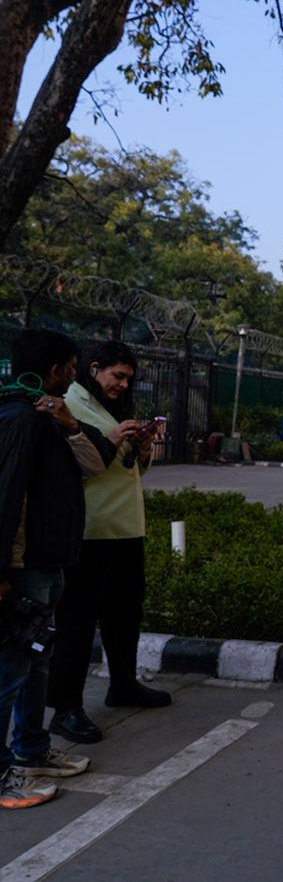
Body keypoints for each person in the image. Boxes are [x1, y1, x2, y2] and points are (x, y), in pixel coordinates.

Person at [1, 331, 112, 808]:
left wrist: (69, 423)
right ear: (55, 370)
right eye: (70, 368)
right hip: (24, 567)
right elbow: (5, 496)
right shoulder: (19, 419)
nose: (74, 375)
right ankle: (5, 773)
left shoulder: (49, 416)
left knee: (37, 662)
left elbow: (95, 466)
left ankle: (32, 751)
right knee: (9, 672)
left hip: (51, 562)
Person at [48, 340, 172, 746]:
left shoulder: (110, 407)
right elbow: (85, 462)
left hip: (126, 527)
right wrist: (116, 436)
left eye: (128, 379)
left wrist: (141, 446)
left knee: (125, 613)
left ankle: (123, 683)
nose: (122, 385)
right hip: (90, 528)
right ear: (94, 368)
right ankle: (65, 708)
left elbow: (128, 467)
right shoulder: (72, 405)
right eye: (117, 376)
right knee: (78, 622)